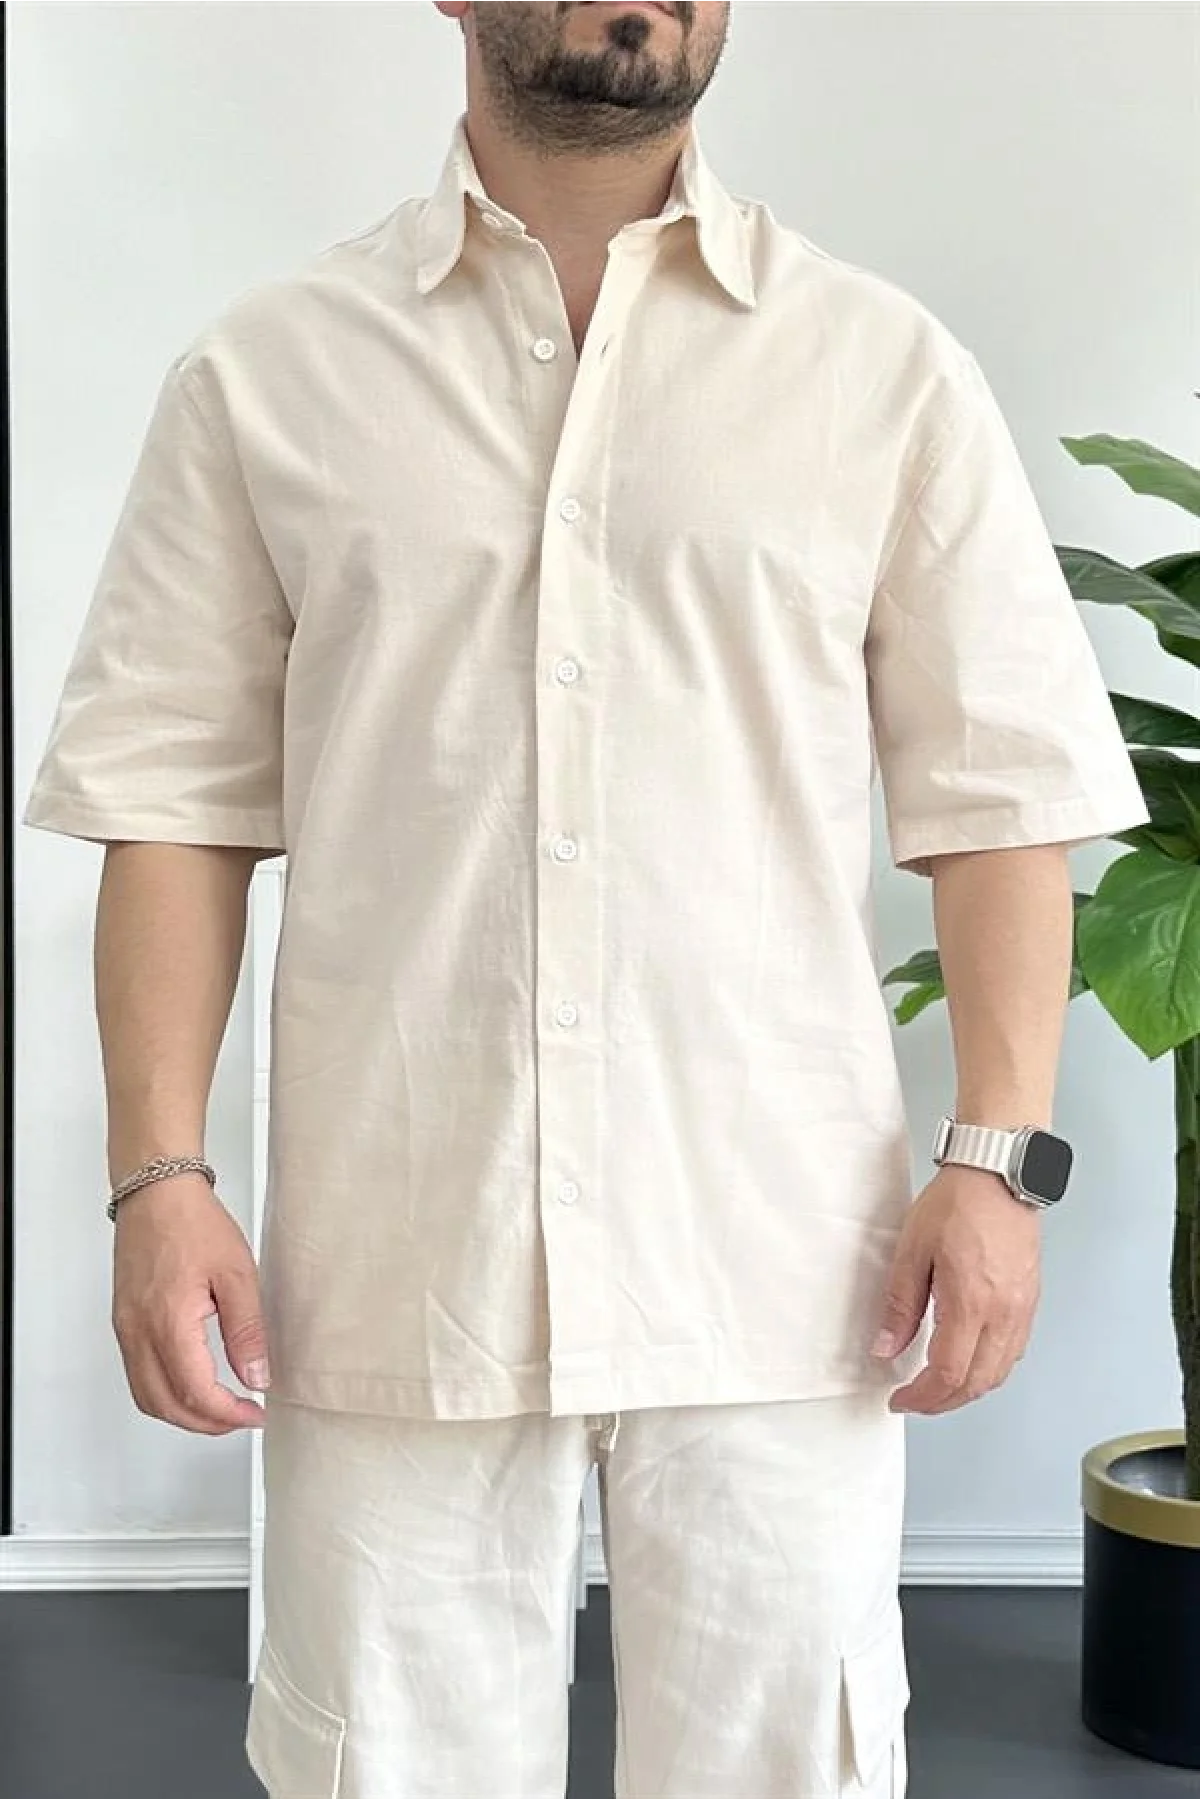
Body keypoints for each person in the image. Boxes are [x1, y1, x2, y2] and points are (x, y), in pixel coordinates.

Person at [24, 2, 1150, 1795]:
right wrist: (158, 1183)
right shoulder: (268, 373)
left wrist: (996, 1158)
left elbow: (999, 795)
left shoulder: (879, 370)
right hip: (398, 1255)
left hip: (787, 1262)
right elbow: (170, 812)